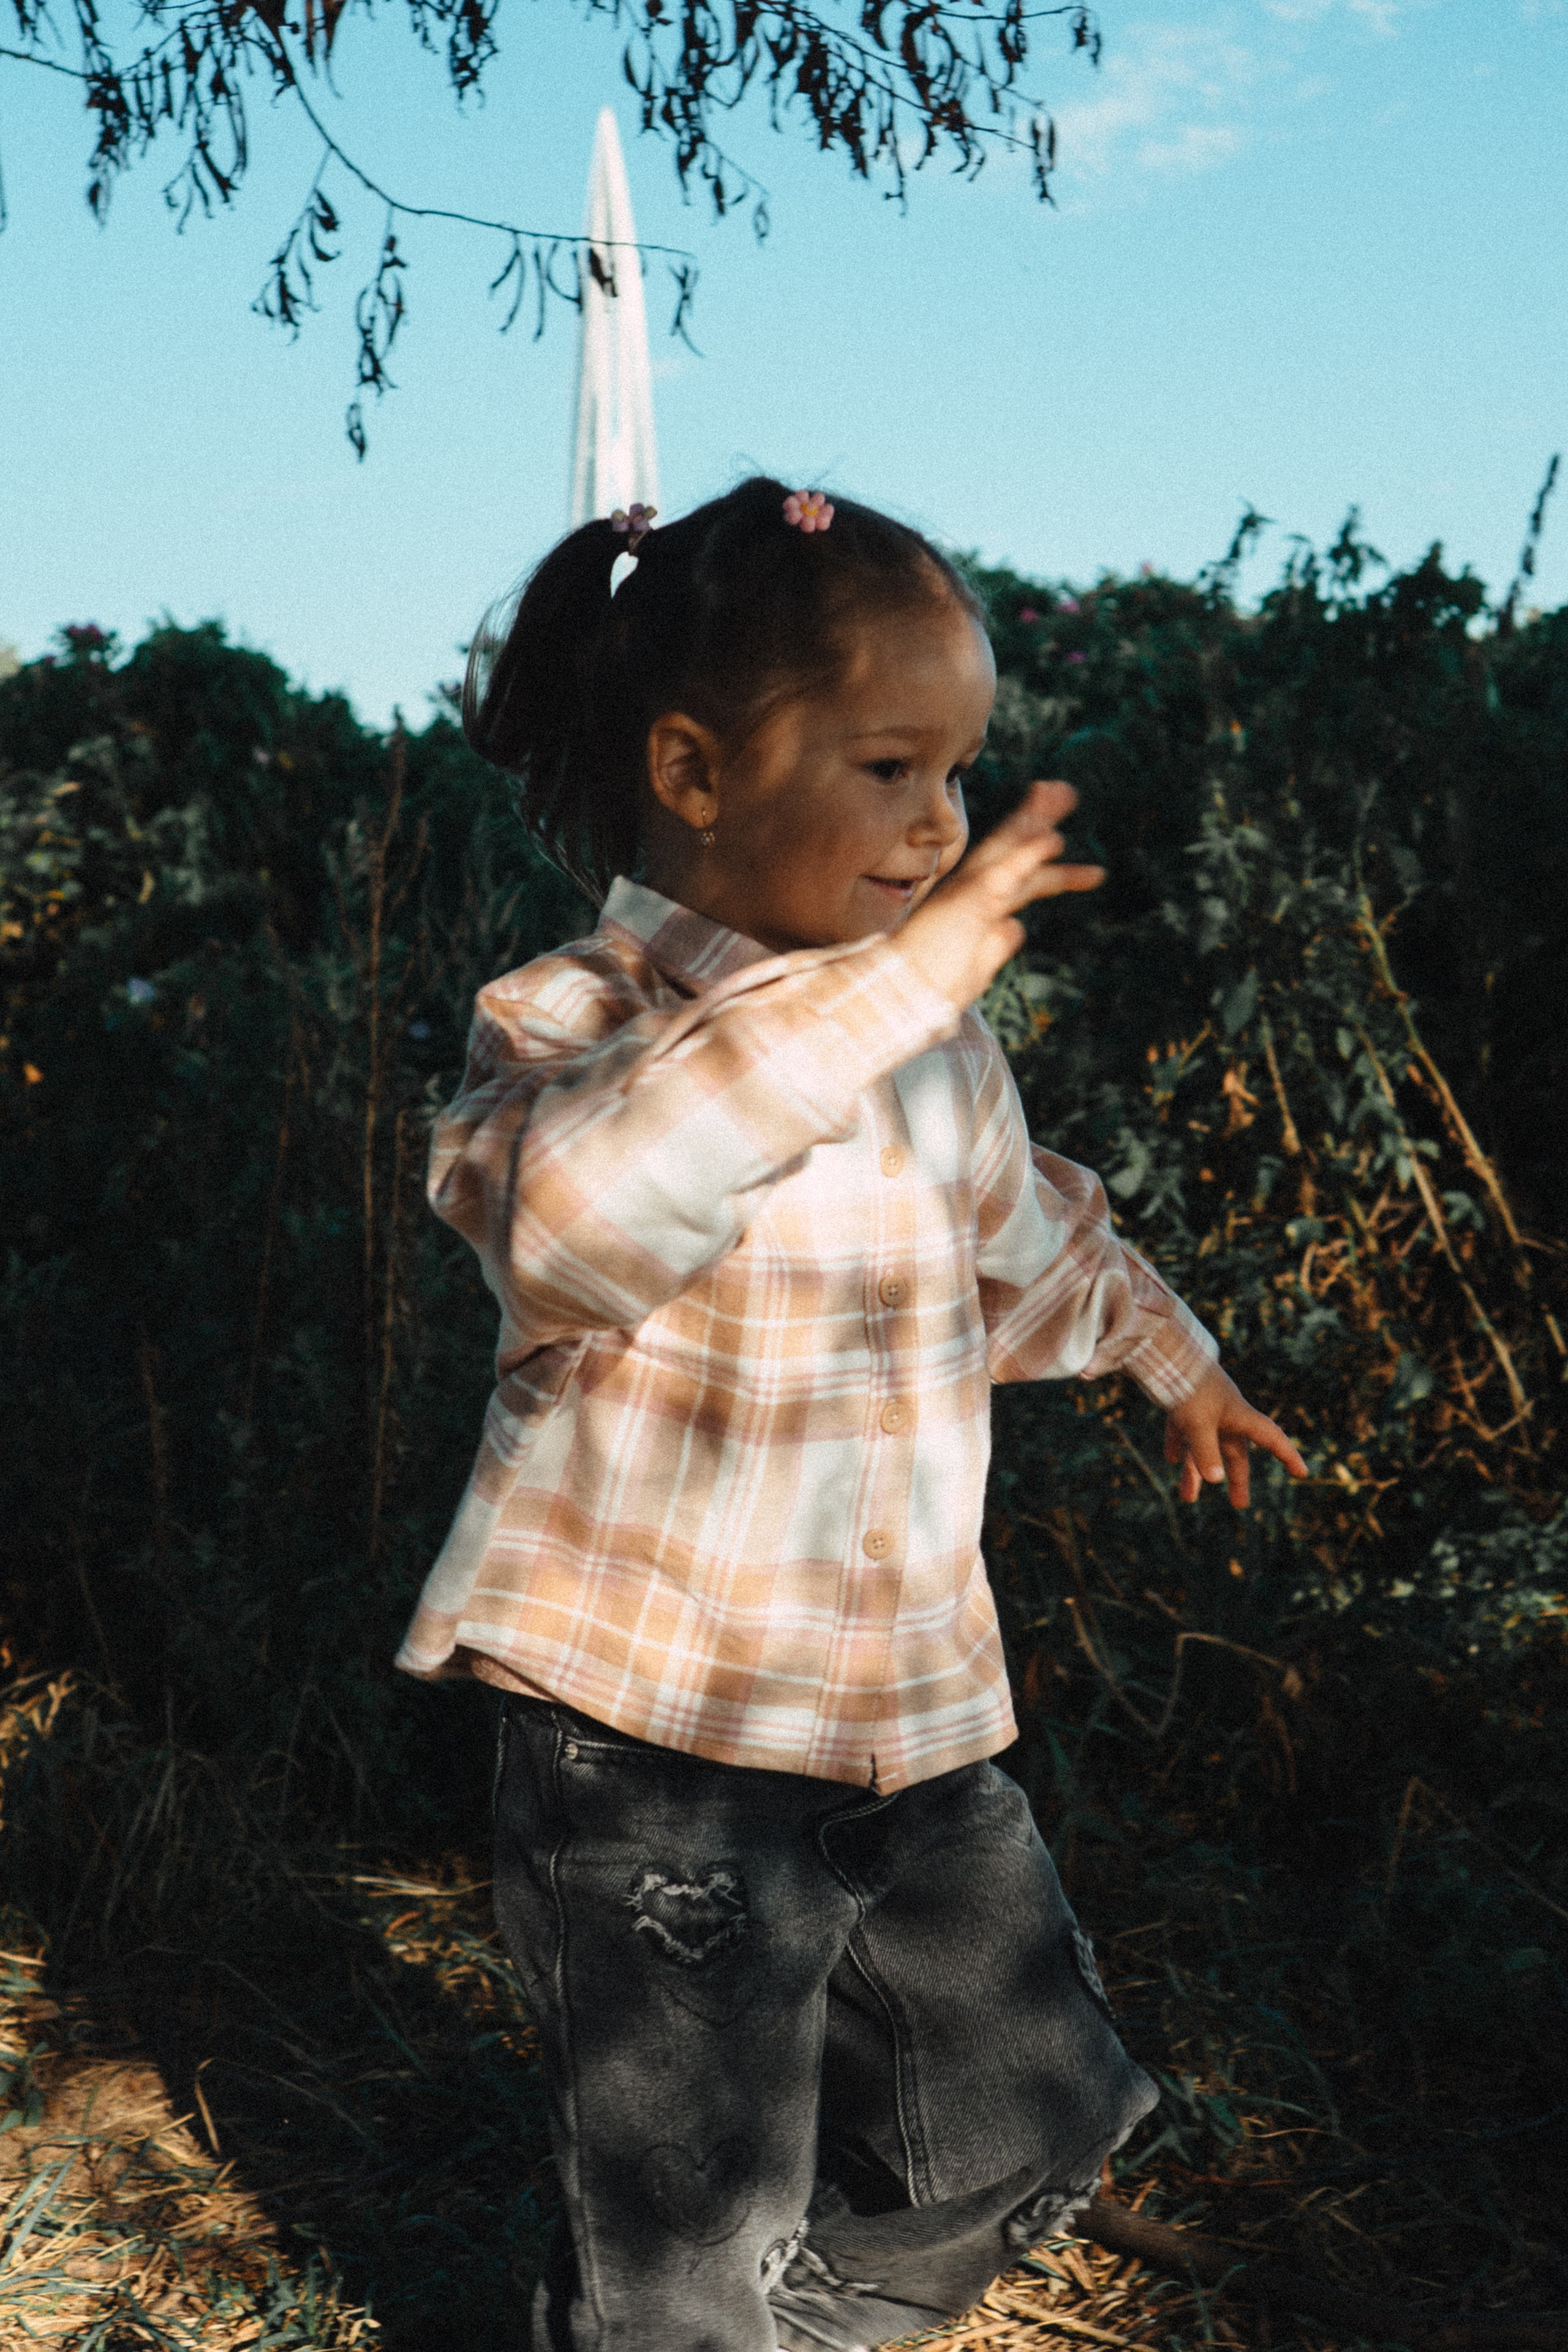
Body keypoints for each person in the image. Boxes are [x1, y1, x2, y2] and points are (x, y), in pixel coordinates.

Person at [396, 476, 1306, 2352]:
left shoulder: (927, 1042)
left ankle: (810, 2323)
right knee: (687, 2234)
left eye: (957, 773)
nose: (939, 825)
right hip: (653, 1746)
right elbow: (588, 1214)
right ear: (696, 770)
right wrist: (890, 991)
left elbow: (1022, 1234)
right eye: (893, 766)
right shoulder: (574, 1020)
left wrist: (1168, 1353)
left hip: (905, 1713)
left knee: (1035, 2109)